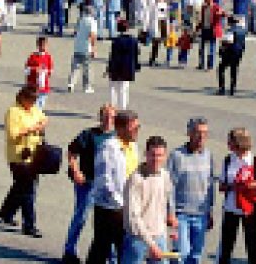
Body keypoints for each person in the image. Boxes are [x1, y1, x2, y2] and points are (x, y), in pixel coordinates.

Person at [62, 104, 117, 264]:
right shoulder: (89, 134)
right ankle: (69, 250)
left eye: (112, 117)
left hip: (107, 187)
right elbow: (71, 152)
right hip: (88, 183)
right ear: (100, 117)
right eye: (105, 116)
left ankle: (110, 256)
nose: (108, 120)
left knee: (109, 221)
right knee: (81, 217)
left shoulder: (117, 137)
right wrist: (76, 171)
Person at [86, 110, 137, 263]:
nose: (136, 131)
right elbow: (104, 180)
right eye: (133, 128)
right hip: (109, 209)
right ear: (120, 128)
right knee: (102, 248)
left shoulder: (132, 146)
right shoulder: (108, 147)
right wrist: (119, 203)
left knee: (122, 249)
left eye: (137, 127)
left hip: (126, 207)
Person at [217, 127, 256, 264]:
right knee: (226, 247)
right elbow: (221, 186)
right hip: (231, 209)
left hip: (250, 210)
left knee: (253, 247)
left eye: (230, 142)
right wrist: (234, 186)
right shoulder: (228, 160)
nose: (228, 145)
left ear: (239, 143)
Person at [0, 86, 47, 238]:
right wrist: (31, 129)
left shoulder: (33, 109)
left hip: (34, 155)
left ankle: (6, 212)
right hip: (19, 157)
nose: (33, 103)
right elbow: (13, 134)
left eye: (35, 100)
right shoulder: (13, 112)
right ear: (22, 98)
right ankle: (29, 224)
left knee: (20, 186)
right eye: (30, 100)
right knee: (28, 190)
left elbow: (43, 118)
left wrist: (42, 124)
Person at [168, 116, 217, 264]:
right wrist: (171, 213)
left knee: (196, 255)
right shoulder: (177, 155)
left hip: (201, 215)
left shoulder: (208, 155)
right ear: (189, 133)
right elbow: (169, 187)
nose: (201, 136)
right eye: (197, 132)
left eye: (205, 133)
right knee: (181, 253)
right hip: (181, 214)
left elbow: (210, 185)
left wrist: (210, 211)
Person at [123, 135, 176, 262]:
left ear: (165, 156)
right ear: (145, 154)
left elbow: (168, 201)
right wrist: (151, 244)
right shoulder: (136, 179)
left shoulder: (165, 175)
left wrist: (172, 225)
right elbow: (134, 217)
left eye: (160, 155)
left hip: (159, 236)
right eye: (153, 155)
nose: (156, 159)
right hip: (137, 239)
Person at [106, 19, 138, 109]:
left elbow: (112, 56)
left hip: (116, 67)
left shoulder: (116, 41)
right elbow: (135, 55)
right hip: (128, 67)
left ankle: (112, 108)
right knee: (124, 89)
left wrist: (109, 68)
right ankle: (123, 109)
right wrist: (135, 67)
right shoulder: (133, 40)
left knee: (113, 88)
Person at [67, 5, 97, 94]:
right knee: (87, 68)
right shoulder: (92, 22)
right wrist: (93, 48)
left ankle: (71, 83)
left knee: (75, 67)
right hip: (86, 47)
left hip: (77, 46)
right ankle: (87, 86)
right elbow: (92, 35)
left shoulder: (80, 20)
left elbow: (75, 32)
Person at [217, 17, 247, 96]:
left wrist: (222, 46)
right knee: (234, 70)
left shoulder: (230, 31)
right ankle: (233, 88)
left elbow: (228, 42)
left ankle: (222, 88)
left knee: (221, 68)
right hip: (238, 53)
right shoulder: (242, 31)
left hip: (230, 52)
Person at [25, 36, 54, 109]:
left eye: (45, 45)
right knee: (34, 105)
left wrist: (46, 71)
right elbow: (26, 70)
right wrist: (34, 69)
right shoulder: (33, 56)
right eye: (41, 45)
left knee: (41, 105)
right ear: (37, 45)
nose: (43, 47)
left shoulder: (48, 57)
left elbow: (50, 70)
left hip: (44, 86)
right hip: (33, 86)